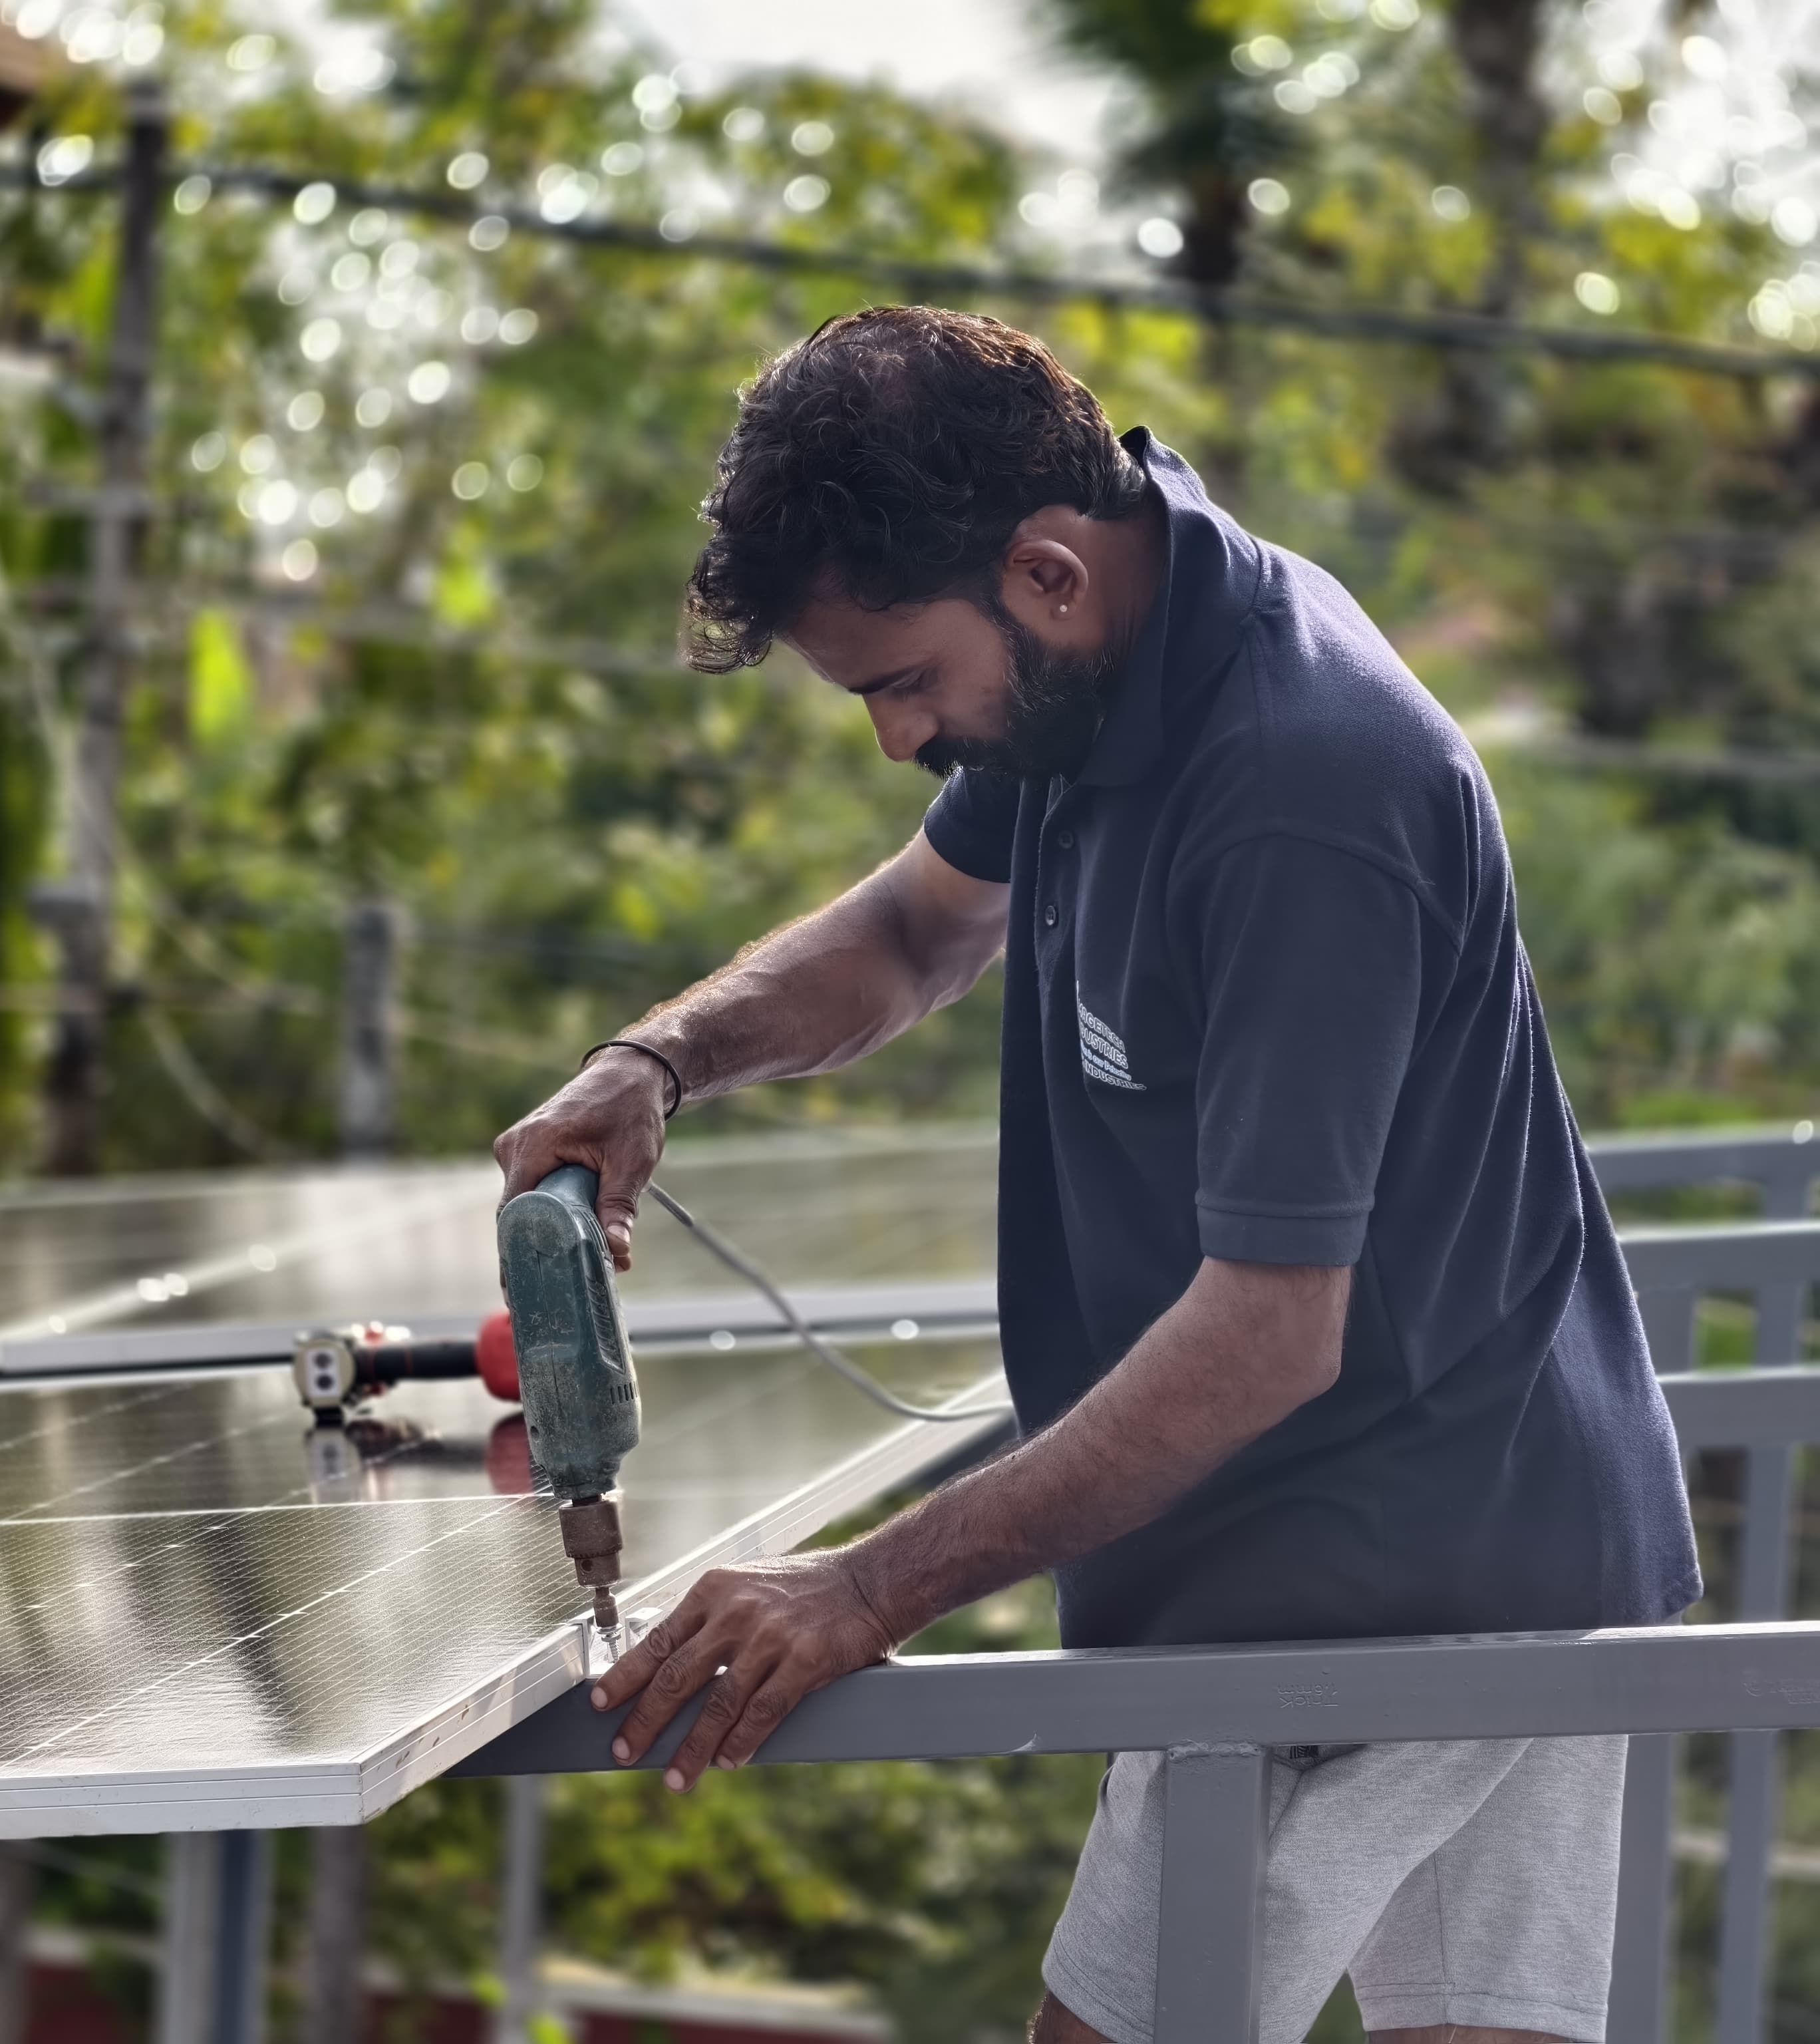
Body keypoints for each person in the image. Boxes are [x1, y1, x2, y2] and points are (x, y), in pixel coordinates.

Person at [491, 308, 1700, 2044]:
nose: (896, 739)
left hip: (1406, 1581)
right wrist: (659, 1060)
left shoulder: (1301, 787)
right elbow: (914, 933)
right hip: (1353, 1550)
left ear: (1048, 575)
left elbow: (1269, 1333)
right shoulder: (1100, 675)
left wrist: (861, 1591)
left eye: (902, 683)